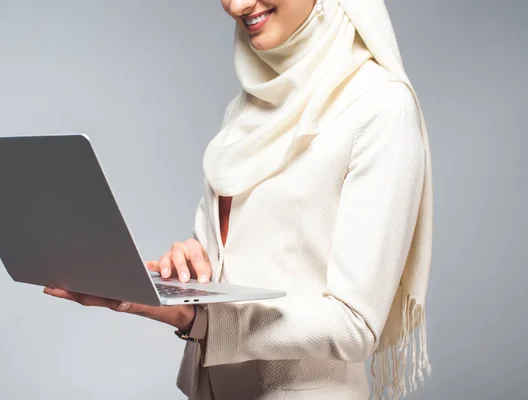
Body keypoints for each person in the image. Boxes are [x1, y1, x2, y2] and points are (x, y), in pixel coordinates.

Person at [44, 0, 434, 398]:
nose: (236, 5)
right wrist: (190, 266)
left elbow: (355, 325)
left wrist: (194, 316)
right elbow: (252, 257)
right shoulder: (244, 109)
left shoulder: (380, 107)